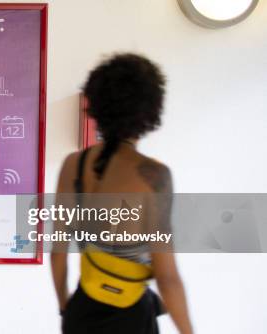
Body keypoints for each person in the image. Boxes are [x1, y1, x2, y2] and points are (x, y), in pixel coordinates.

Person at [51, 54, 193, 333]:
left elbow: (57, 253)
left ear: (96, 105)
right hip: (130, 318)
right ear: (150, 109)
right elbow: (167, 278)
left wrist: (65, 308)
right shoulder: (154, 178)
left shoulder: (73, 165)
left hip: (83, 310)